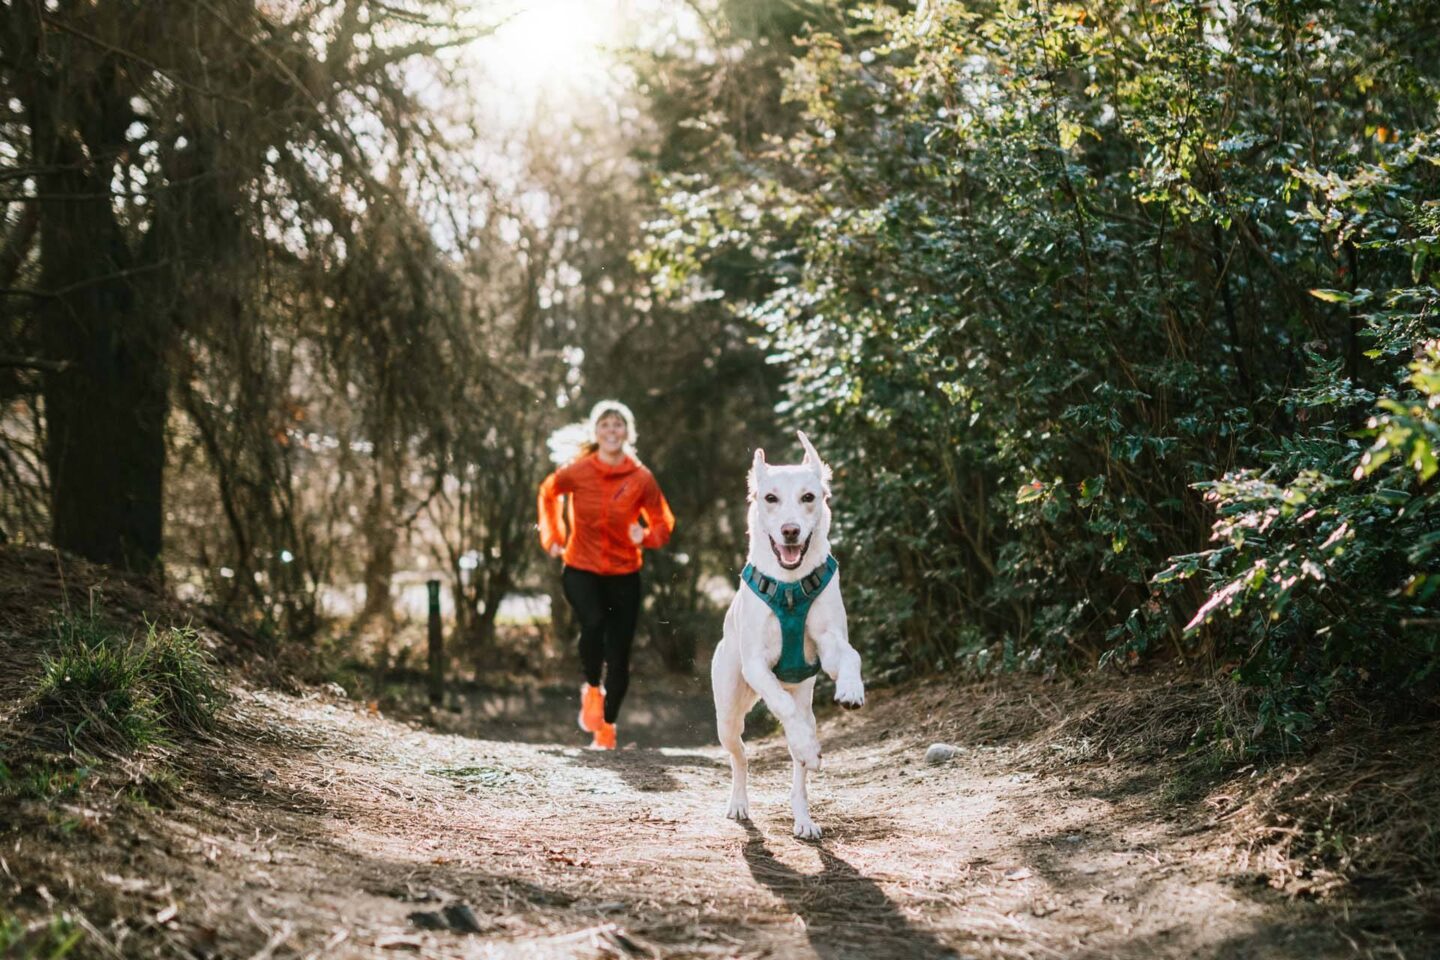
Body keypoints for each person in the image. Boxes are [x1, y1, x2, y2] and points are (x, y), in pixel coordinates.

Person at [537, 400, 675, 749]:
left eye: (618, 425)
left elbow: (663, 524)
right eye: (605, 425)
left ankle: (607, 727)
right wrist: (553, 538)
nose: (612, 431)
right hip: (580, 566)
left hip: (624, 572)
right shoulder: (578, 471)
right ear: (595, 432)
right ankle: (592, 689)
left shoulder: (641, 478)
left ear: (627, 433)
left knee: (619, 654)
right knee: (593, 623)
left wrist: (644, 536)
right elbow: (548, 493)